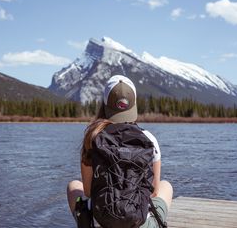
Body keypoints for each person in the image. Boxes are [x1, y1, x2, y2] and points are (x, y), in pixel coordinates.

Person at [67, 75, 173, 228]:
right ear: (133, 105)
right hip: (139, 222)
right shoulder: (148, 138)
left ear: (105, 105)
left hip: (102, 222)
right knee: (166, 186)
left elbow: (89, 192)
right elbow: (154, 192)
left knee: (73, 186)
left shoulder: (92, 137)